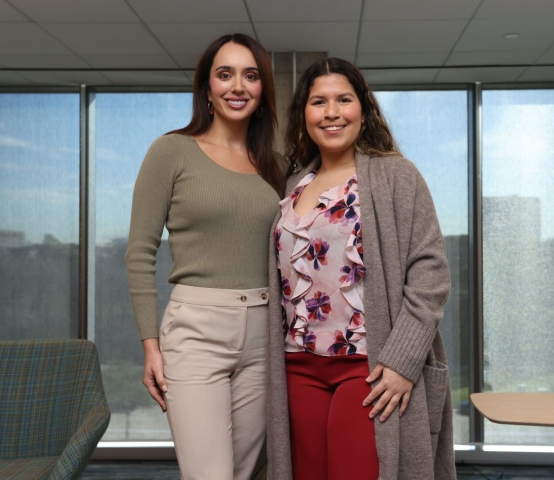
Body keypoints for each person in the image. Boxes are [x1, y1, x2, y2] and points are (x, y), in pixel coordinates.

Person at [265, 57, 455, 480]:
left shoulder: (397, 176)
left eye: (344, 100)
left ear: (364, 110)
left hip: (368, 367)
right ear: (304, 115)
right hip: (298, 365)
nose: (332, 112)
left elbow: (430, 273)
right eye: (319, 102)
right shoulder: (293, 184)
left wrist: (404, 360)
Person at [125, 33, 284, 480]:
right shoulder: (171, 151)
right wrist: (150, 345)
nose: (238, 86)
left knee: (245, 473)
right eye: (225, 74)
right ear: (207, 88)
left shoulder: (277, 165)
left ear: (263, 89)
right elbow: (139, 253)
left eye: (250, 76)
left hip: (265, 335)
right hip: (195, 333)